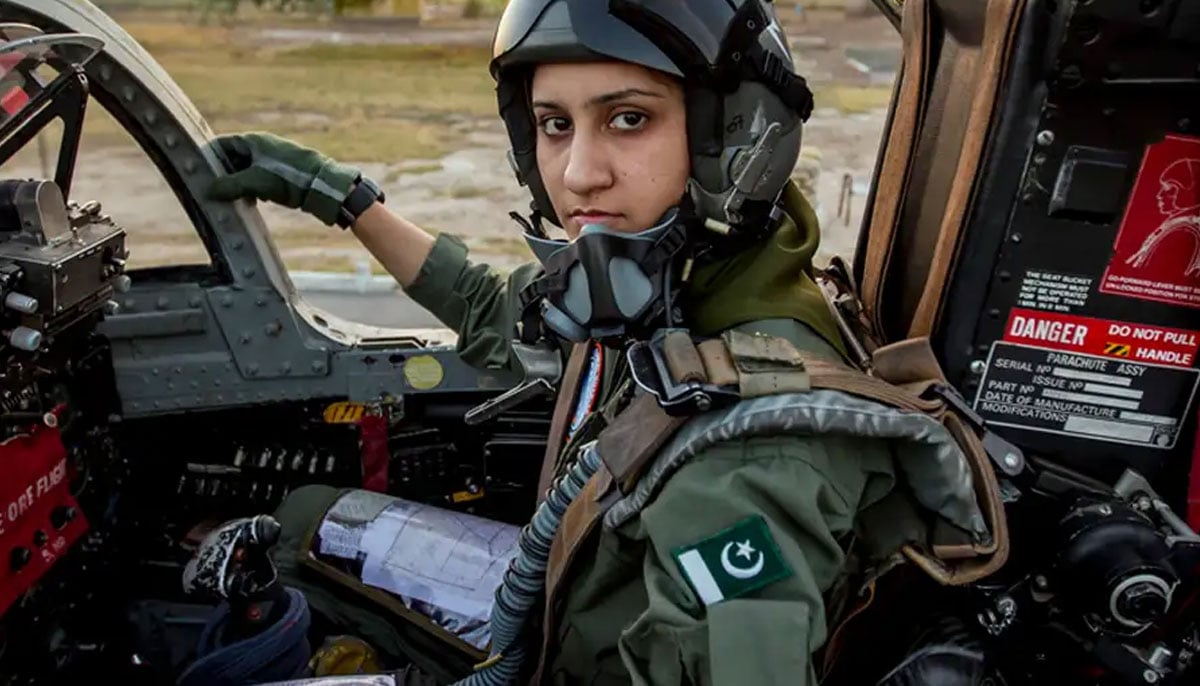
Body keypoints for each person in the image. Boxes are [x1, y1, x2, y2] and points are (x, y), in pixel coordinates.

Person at [204, 2, 1001, 684]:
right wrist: (341, 197)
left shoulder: (744, 465)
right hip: (563, 597)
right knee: (306, 520)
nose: (579, 172)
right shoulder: (674, 287)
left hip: (571, 655)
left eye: (629, 118)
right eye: (555, 125)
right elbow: (495, 309)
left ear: (734, 136)